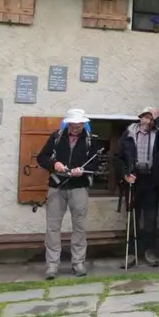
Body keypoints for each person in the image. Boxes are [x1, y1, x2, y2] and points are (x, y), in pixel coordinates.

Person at [37, 108, 100, 280]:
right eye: (72, 124)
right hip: (57, 186)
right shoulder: (57, 137)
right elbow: (41, 157)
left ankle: (78, 262)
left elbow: (96, 164)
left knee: (79, 226)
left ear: (83, 124)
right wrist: (54, 164)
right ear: (68, 123)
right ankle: (52, 265)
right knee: (52, 227)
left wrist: (84, 170)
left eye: (78, 125)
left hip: (79, 187)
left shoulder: (90, 140)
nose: (75, 128)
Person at [114, 106, 159, 268]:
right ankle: (131, 253)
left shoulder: (158, 134)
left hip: (151, 181)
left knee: (150, 219)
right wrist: (126, 174)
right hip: (133, 181)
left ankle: (149, 251)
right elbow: (118, 158)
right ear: (140, 118)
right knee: (132, 219)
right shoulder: (128, 134)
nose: (147, 121)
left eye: (151, 118)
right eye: (145, 117)